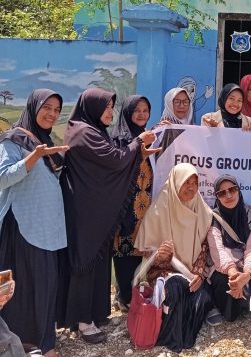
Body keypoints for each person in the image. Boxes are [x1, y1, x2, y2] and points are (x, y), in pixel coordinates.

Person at [59, 88, 158, 344]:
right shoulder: (83, 132)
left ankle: (93, 313)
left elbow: (112, 162)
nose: (109, 113)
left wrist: (138, 152)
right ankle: (83, 321)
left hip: (95, 210)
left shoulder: (92, 130)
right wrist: (138, 144)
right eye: (105, 107)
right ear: (91, 107)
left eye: (111, 108)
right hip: (86, 213)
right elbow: (114, 160)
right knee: (86, 261)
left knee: (97, 261)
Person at [0, 89, 69, 356]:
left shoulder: (46, 141)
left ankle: (42, 340)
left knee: (45, 284)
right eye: (47, 107)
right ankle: (26, 343)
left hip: (45, 228)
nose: (52, 114)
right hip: (22, 226)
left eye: (56, 110)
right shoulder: (13, 139)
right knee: (25, 287)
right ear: (33, 107)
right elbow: (3, 177)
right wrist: (33, 157)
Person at [135, 163, 214, 352]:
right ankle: (170, 338)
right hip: (163, 272)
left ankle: (185, 337)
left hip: (191, 271)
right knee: (176, 288)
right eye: (186, 182)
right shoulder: (159, 209)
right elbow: (145, 251)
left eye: (195, 183)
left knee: (203, 297)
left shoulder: (201, 209)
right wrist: (161, 255)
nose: (191, 188)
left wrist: (199, 274)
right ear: (176, 183)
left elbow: (204, 247)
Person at [110, 95, 154, 312]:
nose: (141, 115)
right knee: (125, 251)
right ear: (127, 112)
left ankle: (134, 294)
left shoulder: (152, 137)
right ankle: (124, 295)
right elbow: (116, 169)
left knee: (141, 249)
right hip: (127, 205)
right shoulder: (118, 139)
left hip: (146, 205)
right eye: (137, 110)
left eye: (145, 110)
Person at [207, 174, 251, 324]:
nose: (228, 195)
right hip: (225, 267)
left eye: (232, 189)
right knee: (222, 282)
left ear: (239, 190)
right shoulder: (214, 217)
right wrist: (233, 275)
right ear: (217, 197)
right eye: (222, 193)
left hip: (246, 265)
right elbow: (217, 250)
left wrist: (246, 274)